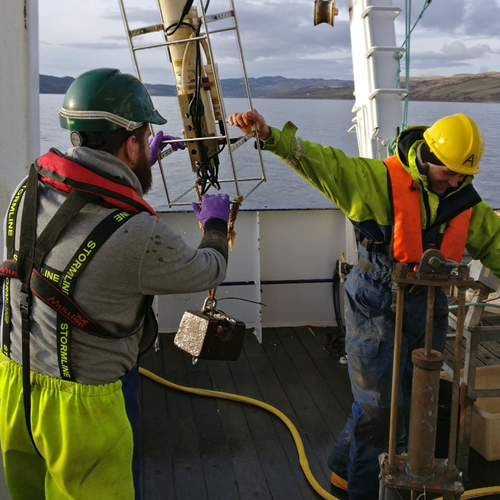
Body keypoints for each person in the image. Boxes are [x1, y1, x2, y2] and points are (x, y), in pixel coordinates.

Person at [228, 109, 500, 499]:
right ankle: (361, 491)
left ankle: (342, 469)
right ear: (428, 159)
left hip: (429, 307)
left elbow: (495, 244)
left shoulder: (464, 201)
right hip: (376, 302)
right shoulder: (376, 182)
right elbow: (324, 164)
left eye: (464, 176)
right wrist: (271, 136)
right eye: (449, 174)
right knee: (379, 413)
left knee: (405, 403)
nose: (456, 182)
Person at [0, 68, 230, 500]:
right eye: (144, 140)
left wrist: (142, 161)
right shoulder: (139, 234)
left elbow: (86, 198)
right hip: (85, 409)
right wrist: (216, 223)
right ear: (129, 143)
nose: (147, 146)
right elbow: (208, 269)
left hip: (15, 383)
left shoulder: (25, 190)